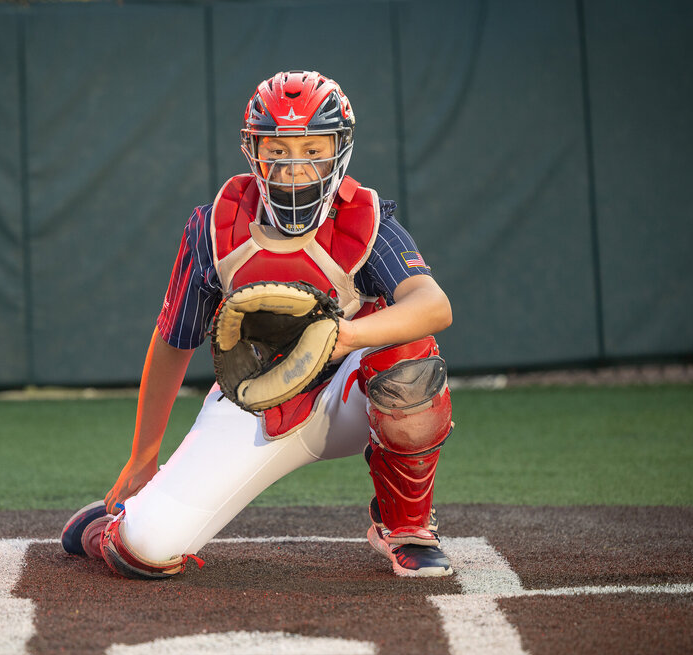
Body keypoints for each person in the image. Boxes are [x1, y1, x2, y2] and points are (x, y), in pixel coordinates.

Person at [61, 69, 455, 579]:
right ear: (253, 151)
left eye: (312, 149)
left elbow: (433, 305)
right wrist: (144, 457)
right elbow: (173, 341)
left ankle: (405, 526)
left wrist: (346, 336)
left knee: (410, 358)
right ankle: (113, 525)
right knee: (144, 549)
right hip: (257, 401)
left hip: (349, 396)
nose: (294, 167)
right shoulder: (215, 227)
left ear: (339, 150)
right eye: (278, 150)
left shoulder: (364, 219)